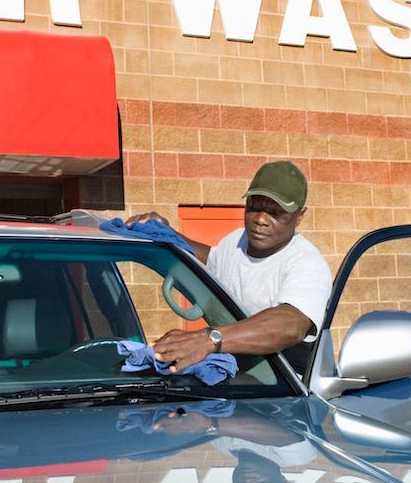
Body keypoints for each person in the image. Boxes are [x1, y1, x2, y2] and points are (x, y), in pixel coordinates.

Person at [126, 160, 332, 374]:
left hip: (290, 393)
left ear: (299, 216)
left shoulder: (306, 263)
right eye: (255, 206)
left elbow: (290, 324)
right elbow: (210, 260)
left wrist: (208, 339)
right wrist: (166, 233)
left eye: (276, 212)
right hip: (239, 384)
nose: (261, 219)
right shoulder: (236, 241)